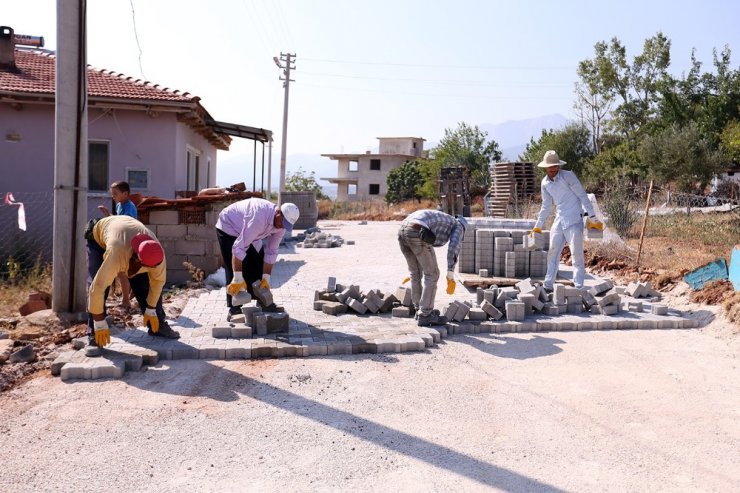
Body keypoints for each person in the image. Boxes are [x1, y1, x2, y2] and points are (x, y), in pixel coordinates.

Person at [85, 215, 180, 357]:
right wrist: (99, 323)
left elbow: (157, 282)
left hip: (126, 234)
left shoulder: (156, 253)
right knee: (100, 284)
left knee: (144, 285)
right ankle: (93, 332)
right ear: (136, 258)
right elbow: (97, 288)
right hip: (100, 238)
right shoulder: (117, 253)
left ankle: (157, 325)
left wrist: (151, 310)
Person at [216, 198, 300, 319]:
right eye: (282, 222)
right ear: (278, 213)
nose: (282, 226)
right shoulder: (258, 218)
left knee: (257, 261)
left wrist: (266, 278)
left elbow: (271, 252)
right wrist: (238, 278)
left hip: (250, 232)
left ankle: (262, 300)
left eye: (286, 225)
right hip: (229, 225)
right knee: (234, 266)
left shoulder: (281, 226)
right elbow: (238, 249)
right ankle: (234, 308)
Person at [531, 150, 603, 291]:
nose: (552, 170)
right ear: (545, 168)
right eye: (550, 167)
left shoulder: (568, 176)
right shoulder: (545, 183)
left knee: (576, 254)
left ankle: (578, 286)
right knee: (553, 252)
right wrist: (537, 226)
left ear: (558, 166)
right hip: (559, 219)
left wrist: (593, 217)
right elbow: (546, 206)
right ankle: (548, 284)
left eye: (555, 167)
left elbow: (582, 196)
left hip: (574, 218)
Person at [398, 209, 467, 326]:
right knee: (432, 274)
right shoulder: (458, 225)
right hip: (417, 231)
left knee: (416, 273)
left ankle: (419, 309)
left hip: (402, 230)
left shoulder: (444, 218)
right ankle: (425, 314)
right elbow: (453, 248)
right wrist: (450, 273)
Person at [97, 181, 138, 310]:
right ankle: (129, 296)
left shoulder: (129, 207)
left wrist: (110, 217)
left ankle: (126, 300)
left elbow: (125, 223)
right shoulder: (120, 205)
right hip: (123, 241)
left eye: (115, 193)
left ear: (125, 194)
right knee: (124, 272)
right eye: (112, 194)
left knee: (122, 272)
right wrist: (108, 215)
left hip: (128, 242)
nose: (113, 196)